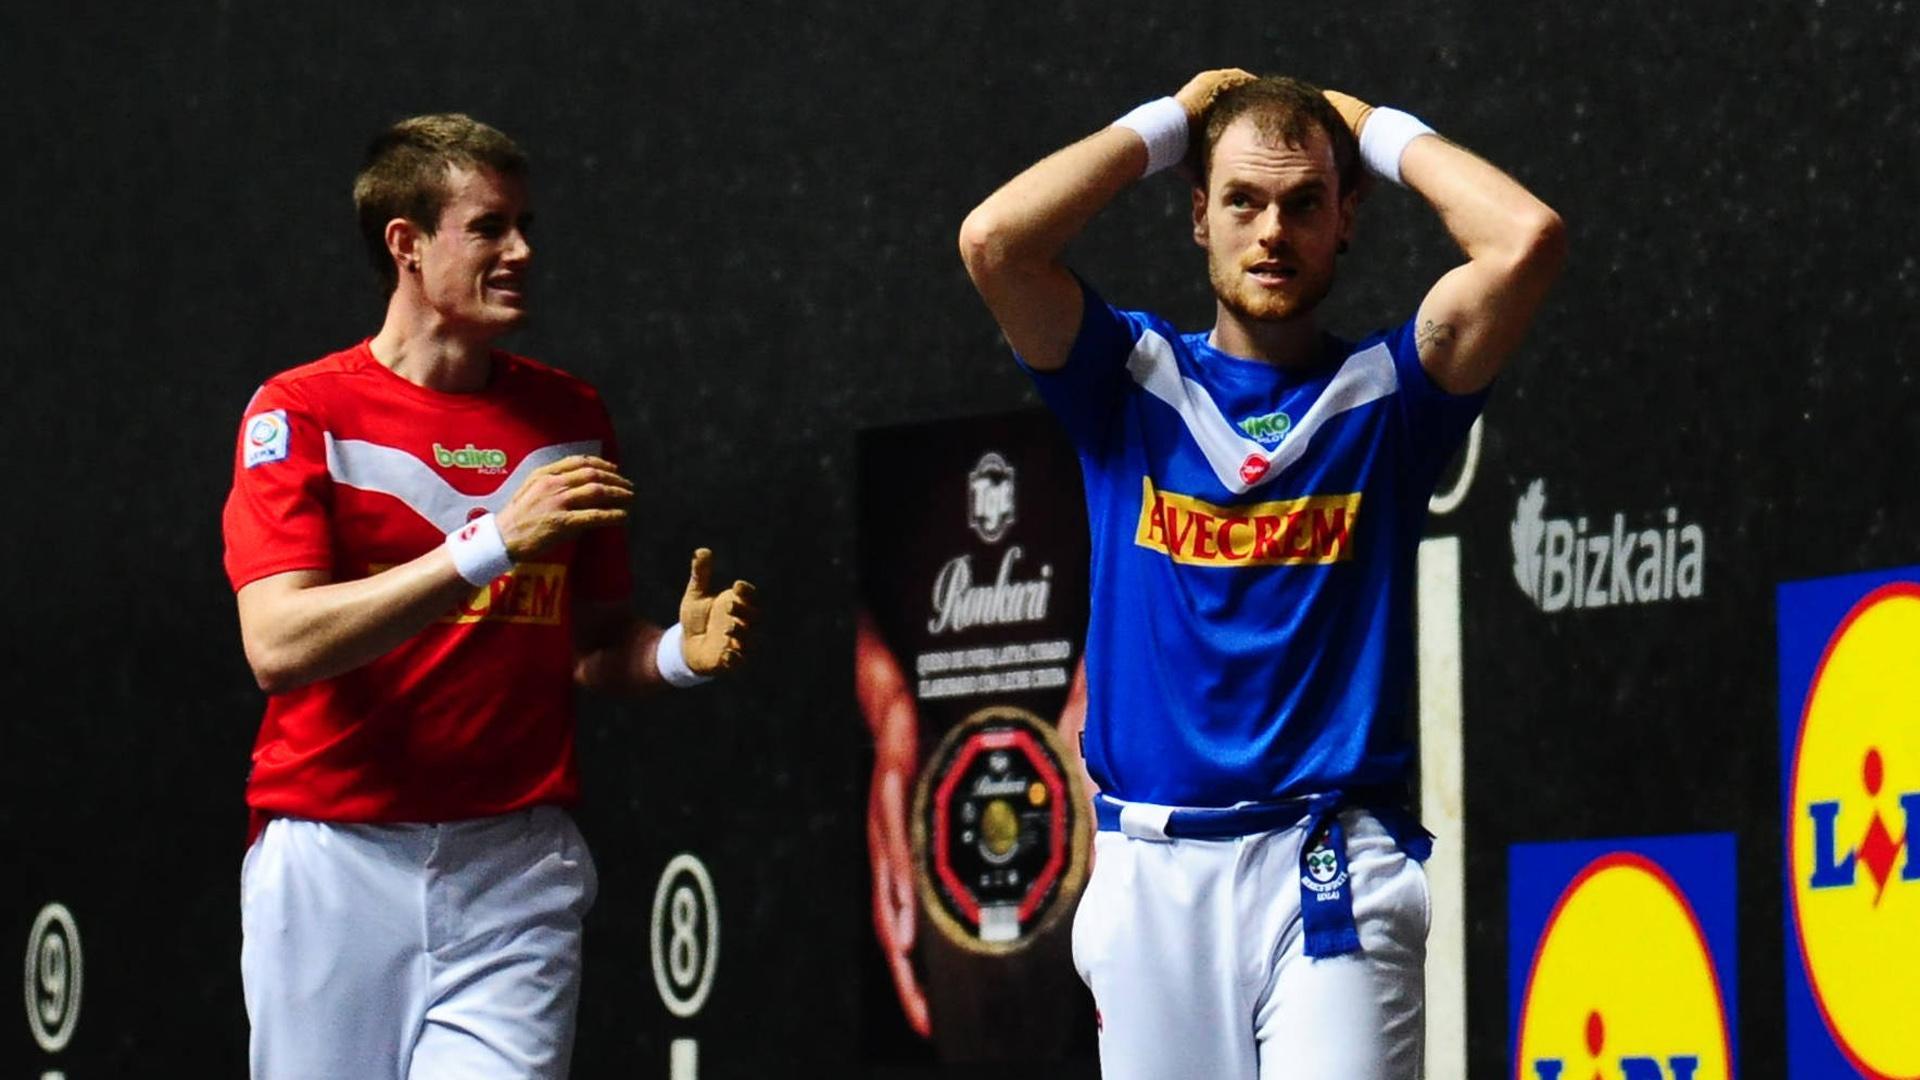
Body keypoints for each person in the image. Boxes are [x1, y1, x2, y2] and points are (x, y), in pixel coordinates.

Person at [958, 70, 1564, 1078]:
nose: (1271, 231)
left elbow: (1525, 240)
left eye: (1304, 202)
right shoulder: (1127, 381)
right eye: (1241, 199)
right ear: (1199, 216)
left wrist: (1370, 130)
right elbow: (995, 242)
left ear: (1346, 221)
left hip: (1330, 871)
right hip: (1151, 876)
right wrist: (1170, 122)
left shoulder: (1391, 396)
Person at [221, 113, 756, 1080]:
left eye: (526, 225)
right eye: (490, 227)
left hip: (514, 872)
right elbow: (279, 643)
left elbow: (590, 643)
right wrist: (486, 545)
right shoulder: (302, 412)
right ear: (407, 244)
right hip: (336, 859)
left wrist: (675, 653)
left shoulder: (569, 419)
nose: (523, 251)